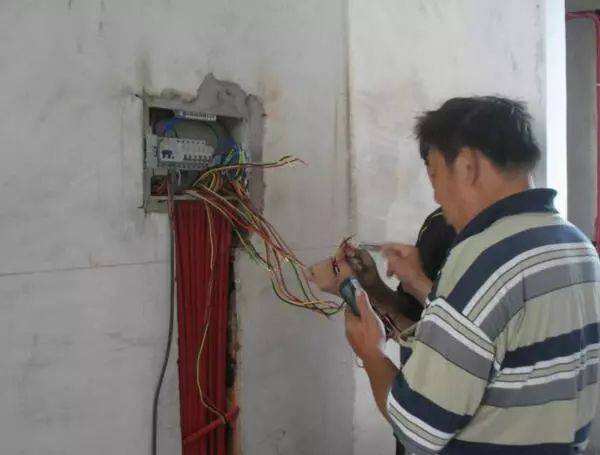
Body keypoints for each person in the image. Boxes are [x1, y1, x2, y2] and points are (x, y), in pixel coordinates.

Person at [345, 96, 600, 453]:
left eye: (434, 174)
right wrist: (416, 283)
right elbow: (499, 336)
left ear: (467, 166)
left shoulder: (485, 256)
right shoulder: (575, 244)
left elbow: (418, 426)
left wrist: (370, 352)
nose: (436, 195)